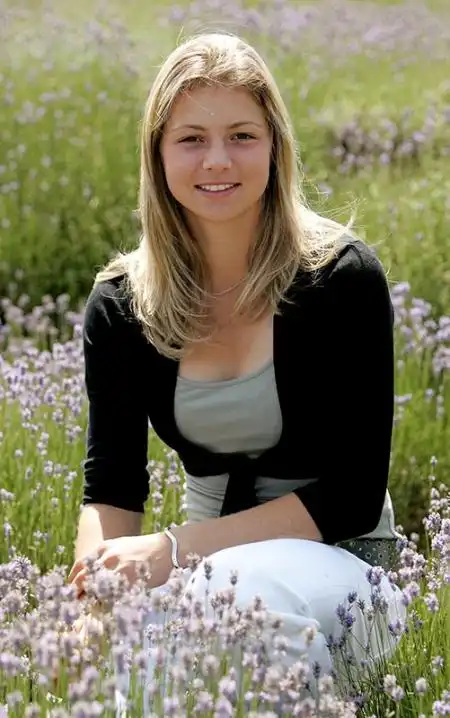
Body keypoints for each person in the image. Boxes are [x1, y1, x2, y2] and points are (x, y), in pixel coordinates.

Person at [68, 30, 405, 715]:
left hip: (346, 568)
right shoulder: (122, 304)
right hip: (203, 569)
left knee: (240, 605)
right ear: (158, 154)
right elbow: (113, 487)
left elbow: (351, 495)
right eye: (191, 138)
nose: (217, 160)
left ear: (275, 146)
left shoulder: (341, 278)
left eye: (242, 136)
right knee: (134, 655)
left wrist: (172, 550)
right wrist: (94, 597)